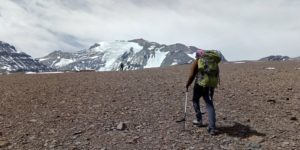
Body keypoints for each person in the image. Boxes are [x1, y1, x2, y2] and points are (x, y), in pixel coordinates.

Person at [186, 49, 221, 135]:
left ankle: (199, 120)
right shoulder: (213, 62)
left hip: (199, 84)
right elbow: (217, 74)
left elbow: (192, 75)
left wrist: (187, 84)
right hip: (210, 86)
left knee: (195, 100)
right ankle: (212, 128)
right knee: (209, 104)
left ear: (198, 56)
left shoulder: (199, 61)